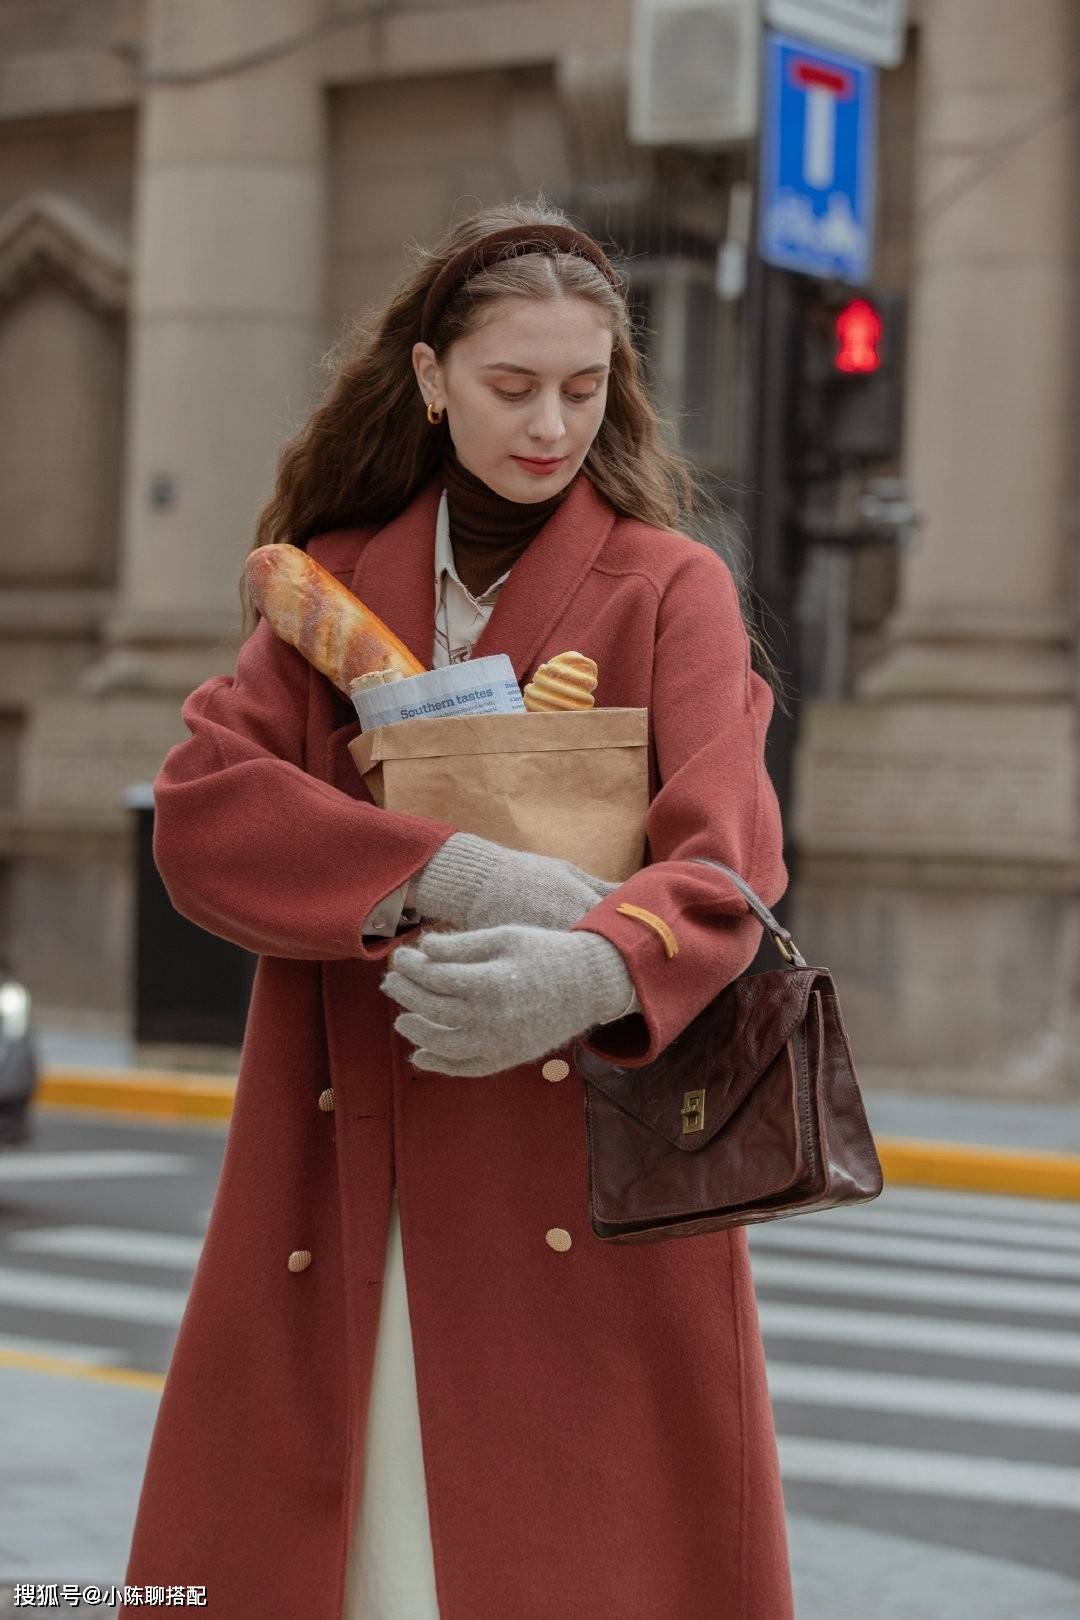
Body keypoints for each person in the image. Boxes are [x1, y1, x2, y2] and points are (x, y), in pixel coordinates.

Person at [120, 199, 795, 1620]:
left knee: (576, 1566)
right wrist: (444, 874)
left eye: (584, 386)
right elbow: (200, 809)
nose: (551, 423)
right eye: (510, 385)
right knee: (356, 1569)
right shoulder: (330, 587)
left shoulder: (675, 588)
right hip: (351, 1159)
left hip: (588, 1173)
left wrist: (596, 966)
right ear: (430, 379)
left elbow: (729, 859)